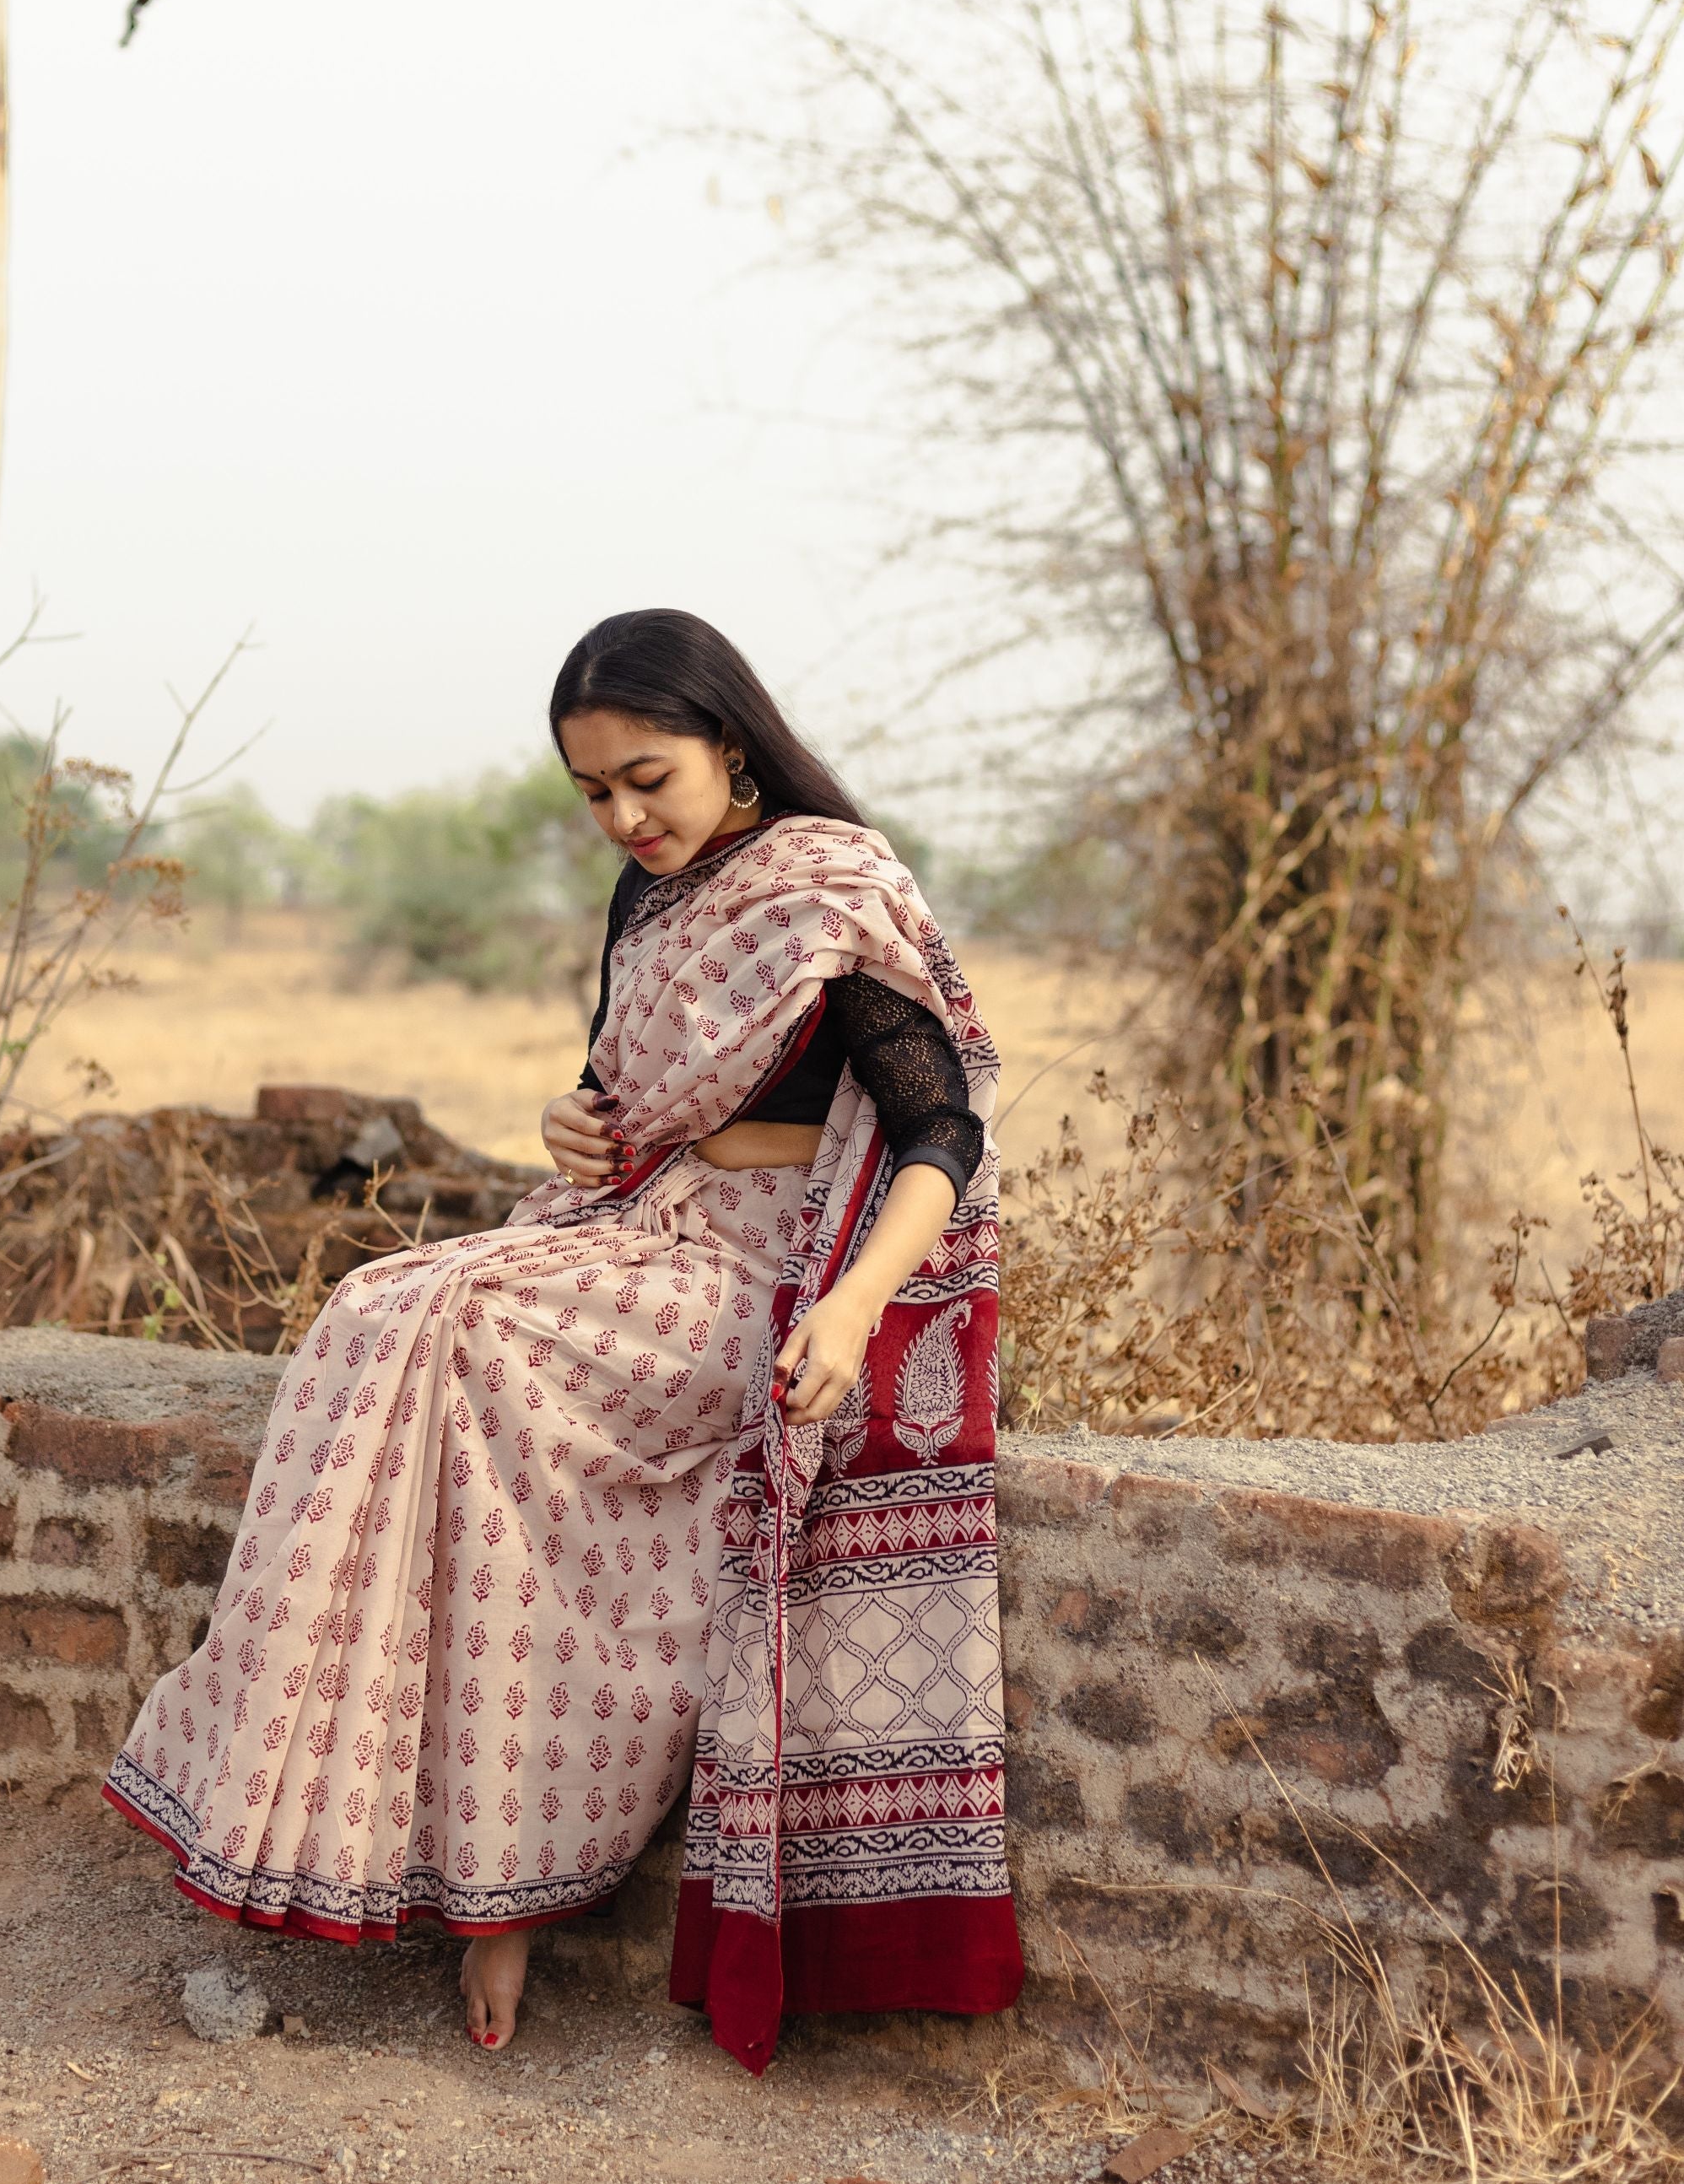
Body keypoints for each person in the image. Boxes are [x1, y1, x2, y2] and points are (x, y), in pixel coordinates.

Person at [105, 610, 1022, 2074]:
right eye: (594, 791)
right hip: (636, 1231)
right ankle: (422, 1855)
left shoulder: (830, 891)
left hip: (765, 1278)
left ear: (733, 745)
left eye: (648, 778)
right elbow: (618, 1093)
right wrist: (571, 1124)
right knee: (375, 1312)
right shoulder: (645, 899)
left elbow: (940, 1138)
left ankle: (496, 1882)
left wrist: (852, 1310)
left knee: (454, 1319)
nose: (626, 817)